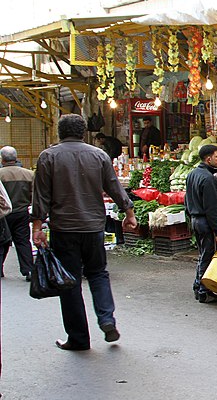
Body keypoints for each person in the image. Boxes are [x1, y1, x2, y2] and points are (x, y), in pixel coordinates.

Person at [32, 114, 137, 351]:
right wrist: (129, 213)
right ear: (83, 133)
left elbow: (40, 196)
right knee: (98, 274)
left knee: (69, 282)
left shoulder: (48, 157)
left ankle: (78, 338)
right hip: (93, 228)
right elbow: (114, 186)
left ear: (60, 132)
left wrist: (37, 227)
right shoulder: (98, 155)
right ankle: (107, 319)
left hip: (64, 229)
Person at [185, 145, 217, 304]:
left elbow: (186, 201)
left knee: (203, 254)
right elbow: (212, 209)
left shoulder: (192, 174)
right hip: (205, 222)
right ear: (208, 159)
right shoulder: (209, 179)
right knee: (207, 256)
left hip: (196, 220)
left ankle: (198, 286)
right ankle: (204, 291)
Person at [0, 146, 34, 280]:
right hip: (22, 212)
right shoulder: (29, 174)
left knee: (2, 241)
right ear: (16, 157)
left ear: (2, 159)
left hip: (3, 215)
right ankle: (28, 270)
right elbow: (34, 194)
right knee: (23, 241)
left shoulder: (0, 174)